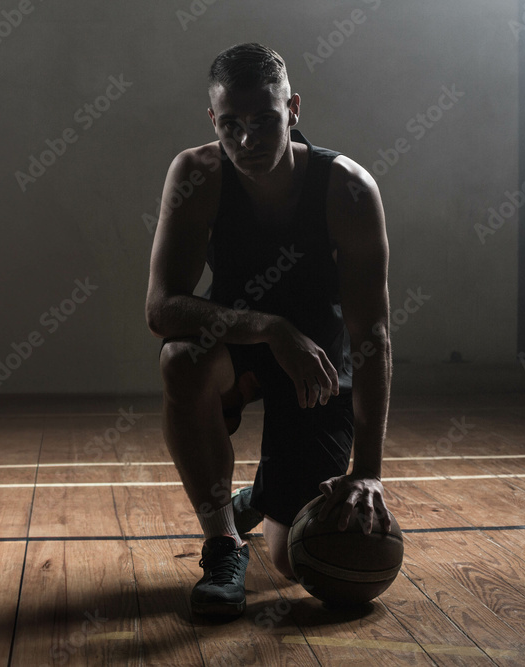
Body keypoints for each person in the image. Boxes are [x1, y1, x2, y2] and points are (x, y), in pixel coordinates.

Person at [144, 42, 393, 618]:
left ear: (294, 109)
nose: (247, 140)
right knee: (180, 359)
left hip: (319, 366)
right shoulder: (197, 174)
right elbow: (161, 310)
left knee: (292, 561)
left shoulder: (349, 188)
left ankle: (261, 497)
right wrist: (271, 328)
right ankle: (223, 542)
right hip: (241, 348)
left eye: (265, 121)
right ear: (213, 120)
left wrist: (370, 473)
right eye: (231, 125)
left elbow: (372, 335)